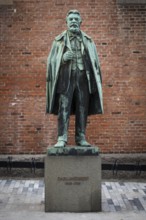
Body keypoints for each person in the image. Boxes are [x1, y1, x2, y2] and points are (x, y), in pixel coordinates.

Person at [46, 9, 103, 147]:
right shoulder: (58, 41)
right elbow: (50, 62)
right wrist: (63, 59)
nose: (73, 22)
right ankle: (62, 137)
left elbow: (96, 63)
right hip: (66, 78)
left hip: (84, 78)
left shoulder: (89, 41)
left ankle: (81, 137)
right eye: (70, 19)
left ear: (80, 22)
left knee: (82, 108)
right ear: (66, 22)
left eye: (76, 19)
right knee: (63, 107)